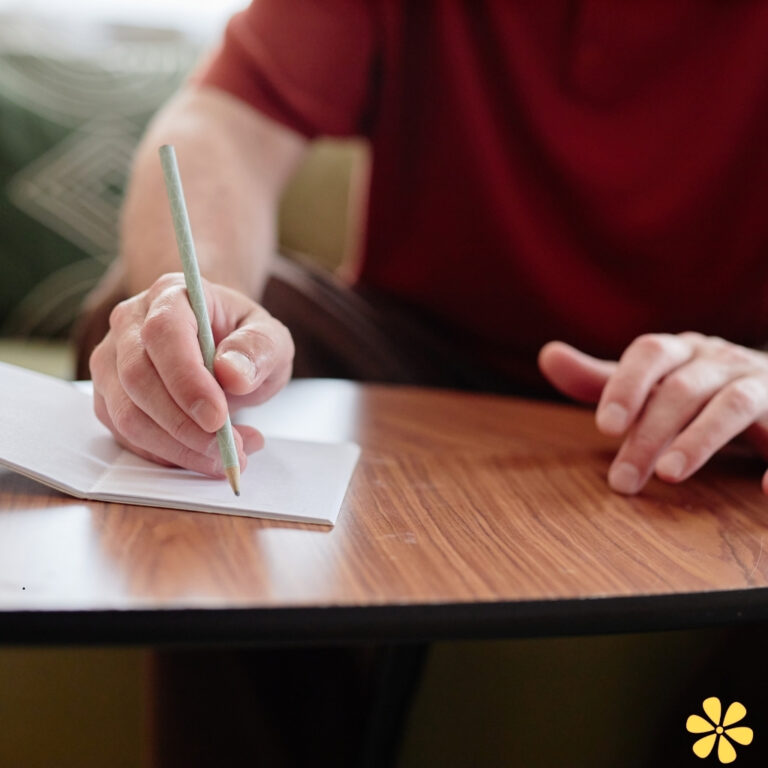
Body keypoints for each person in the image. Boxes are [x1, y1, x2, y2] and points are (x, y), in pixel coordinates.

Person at [74, 2, 768, 765]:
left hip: (714, 405)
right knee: (153, 326)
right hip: (412, 362)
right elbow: (224, 125)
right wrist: (190, 296)